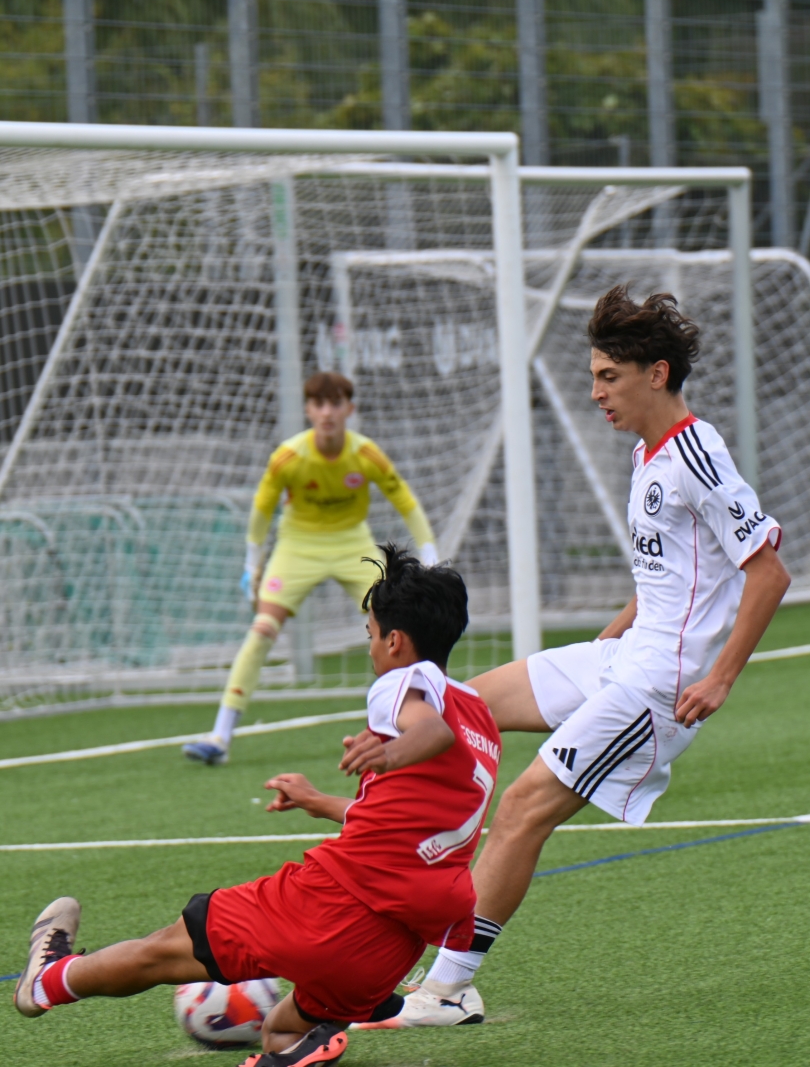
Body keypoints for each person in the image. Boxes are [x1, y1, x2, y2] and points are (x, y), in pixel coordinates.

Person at [360, 284, 790, 1029]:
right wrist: (604, 643)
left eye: (609, 377)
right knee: (461, 708)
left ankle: (451, 987)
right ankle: (400, 871)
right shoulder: (648, 453)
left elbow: (768, 572)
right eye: (593, 376)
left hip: (659, 686)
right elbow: (665, 580)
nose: (596, 392)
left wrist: (719, 677)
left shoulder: (697, 454)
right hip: (623, 658)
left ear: (657, 373)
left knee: (523, 807)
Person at [14, 546, 501, 1066]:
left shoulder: (398, 684)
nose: (371, 649)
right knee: (282, 1030)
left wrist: (388, 752)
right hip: (389, 953)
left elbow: (429, 731)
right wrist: (321, 801)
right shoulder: (481, 721)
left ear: (395, 640)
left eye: (370, 636)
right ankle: (292, 1053)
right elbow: (417, 826)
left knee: (165, 950)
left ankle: (46, 982)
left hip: (333, 906)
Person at [183, 371, 437, 765]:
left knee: (398, 628)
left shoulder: (365, 454)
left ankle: (426, 723)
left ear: (350, 409)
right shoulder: (289, 457)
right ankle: (220, 734)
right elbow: (262, 509)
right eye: (319, 404)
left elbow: (405, 500)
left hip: (352, 543)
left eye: (336, 403)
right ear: (308, 410)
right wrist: (252, 563)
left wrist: (430, 552)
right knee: (262, 630)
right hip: (297, 545)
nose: (327, 412)